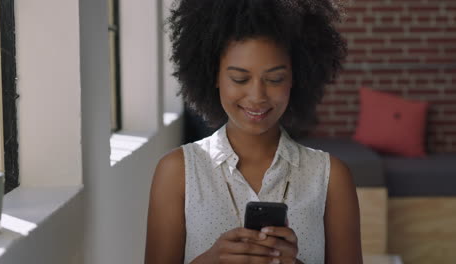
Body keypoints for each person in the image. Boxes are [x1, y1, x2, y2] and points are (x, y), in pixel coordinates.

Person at [145, 0, 362, 263]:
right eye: (239, 79)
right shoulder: (178, 172)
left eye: (274, 79)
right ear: (214, 75)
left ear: (296, 77)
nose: (257, 96)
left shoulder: (330, 177)